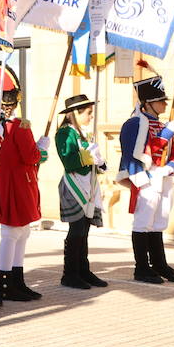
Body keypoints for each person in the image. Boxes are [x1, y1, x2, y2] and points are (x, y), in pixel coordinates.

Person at [0, 64, 50, 303]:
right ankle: (5, 283)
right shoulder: (20, 127)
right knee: (14, 234)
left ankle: (15, 280)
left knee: (19, 234)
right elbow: (31, 157)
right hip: (20, 184)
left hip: (5, 184)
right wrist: (42, 149)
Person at [117, 67, 174, 283]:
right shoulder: (134, 123)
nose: (165, 104)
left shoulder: (162, 125)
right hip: (145, 177)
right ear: (148, 103)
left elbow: (173, 153)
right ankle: (142, 268)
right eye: (160, 100)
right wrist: (164, 137)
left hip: (163, 176)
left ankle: (159, 263)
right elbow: (134, 153)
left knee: (159, 221)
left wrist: (170, 167)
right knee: (143, 222)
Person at [54, 94, 108, 289]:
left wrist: (100, 161)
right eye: (88, 113)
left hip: (88, 186)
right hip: (73, 187)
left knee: (84, 230)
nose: (91, 116)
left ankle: (83, 270)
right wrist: (88, 156)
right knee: (76, 230)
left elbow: (96, 163)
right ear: (74, 114)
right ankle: (69, 274)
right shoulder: (65, 133)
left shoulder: (84, 133)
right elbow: (68, 160)